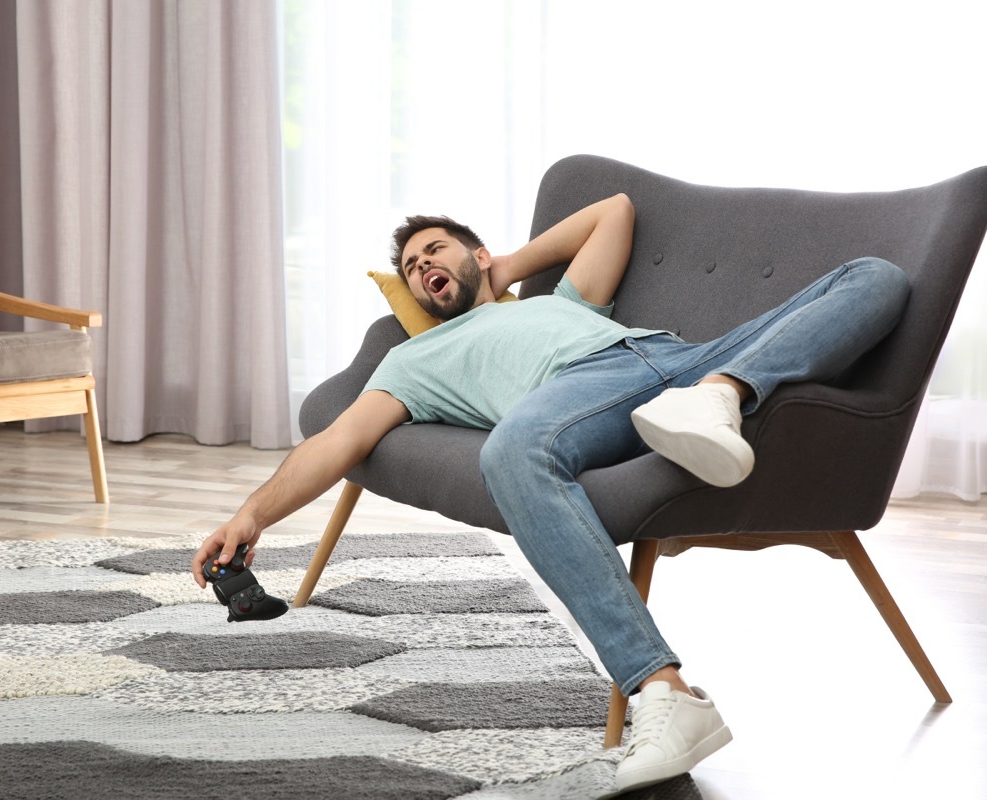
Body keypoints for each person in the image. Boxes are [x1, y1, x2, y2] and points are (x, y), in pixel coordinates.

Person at [192, 193, 910, 790]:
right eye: (411, 268)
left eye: (436, 250)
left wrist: (505, 265)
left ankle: (723, 394)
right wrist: (250, 514)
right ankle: (662, 693)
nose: (422, 268)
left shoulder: (567, 299)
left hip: (679, 361)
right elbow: (337, 443)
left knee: (874, 276)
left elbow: (616, 212)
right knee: (513, 451)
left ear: (475, 255)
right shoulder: (411, 361)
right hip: (579, 396)